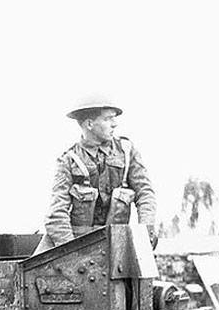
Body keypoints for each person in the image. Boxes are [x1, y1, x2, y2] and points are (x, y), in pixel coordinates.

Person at [35, 96, 156, 253]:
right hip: (79, 244)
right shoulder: (69, 160)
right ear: (89, 124)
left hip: (116, 245)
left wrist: (145, 231)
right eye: (108, 119)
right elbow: (57, 214)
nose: (115, 124)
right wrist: (72, 253)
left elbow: (145, 193)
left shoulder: (126, 151)